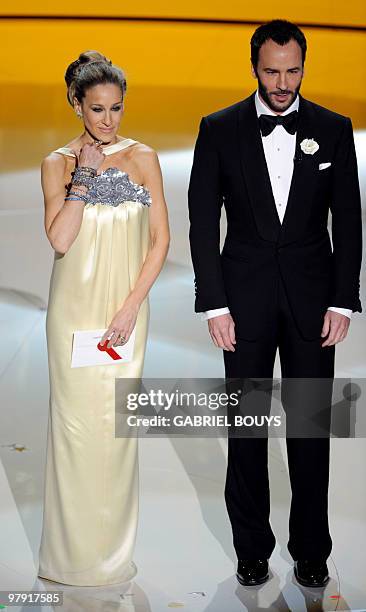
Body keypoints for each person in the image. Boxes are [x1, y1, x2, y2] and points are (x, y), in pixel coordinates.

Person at [188, 20, 362, 588]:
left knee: (311, 429)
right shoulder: (219, 129)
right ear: (253, 67)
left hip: (316, 305)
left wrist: (343, 299)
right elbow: (200, 224)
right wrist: (215, 305)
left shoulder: (334, 129)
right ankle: (252, 547)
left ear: (304, 67)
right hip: (243, 303)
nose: (282, 83)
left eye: (292, 71)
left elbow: (351, 222)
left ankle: (312, 547)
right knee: (247, 428)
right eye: (271, 71)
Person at [38, 50, 169, 586]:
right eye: (97, 109)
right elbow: (61, 238)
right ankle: (69, 561)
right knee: (73, 435)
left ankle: (111, 558)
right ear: (76, 105)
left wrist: (131, 306)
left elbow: (160, 241)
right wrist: (84, 178)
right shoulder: (57, 164)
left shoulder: (144, 158)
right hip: (73, 318)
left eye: (116, 108)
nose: (109, 120)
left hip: (124, 317)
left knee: (115, 436)